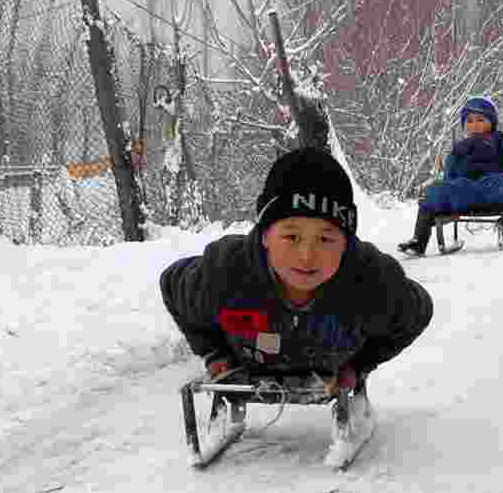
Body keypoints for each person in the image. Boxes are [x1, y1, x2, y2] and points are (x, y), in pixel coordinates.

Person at [160, 147, 434, 454]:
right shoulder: (226, 271)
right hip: (250, 359)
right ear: (265, 235)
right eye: (291, 237)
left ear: (346, 243)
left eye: (326, 239)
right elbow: (172, 284)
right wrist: (215, 354)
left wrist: (359, 365)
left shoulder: (371, 279)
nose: (306, 256)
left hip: (330, 363)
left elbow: (419, 310)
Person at [398, 96, 503, 256]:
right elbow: (449, 177)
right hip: (467, 192)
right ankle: (418, 241)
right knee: (433, 190)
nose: (474, 125)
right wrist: (450, 187)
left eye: (480, 120)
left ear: (492, 121)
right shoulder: (458, 149)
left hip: (495, 190)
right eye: (469, 121)